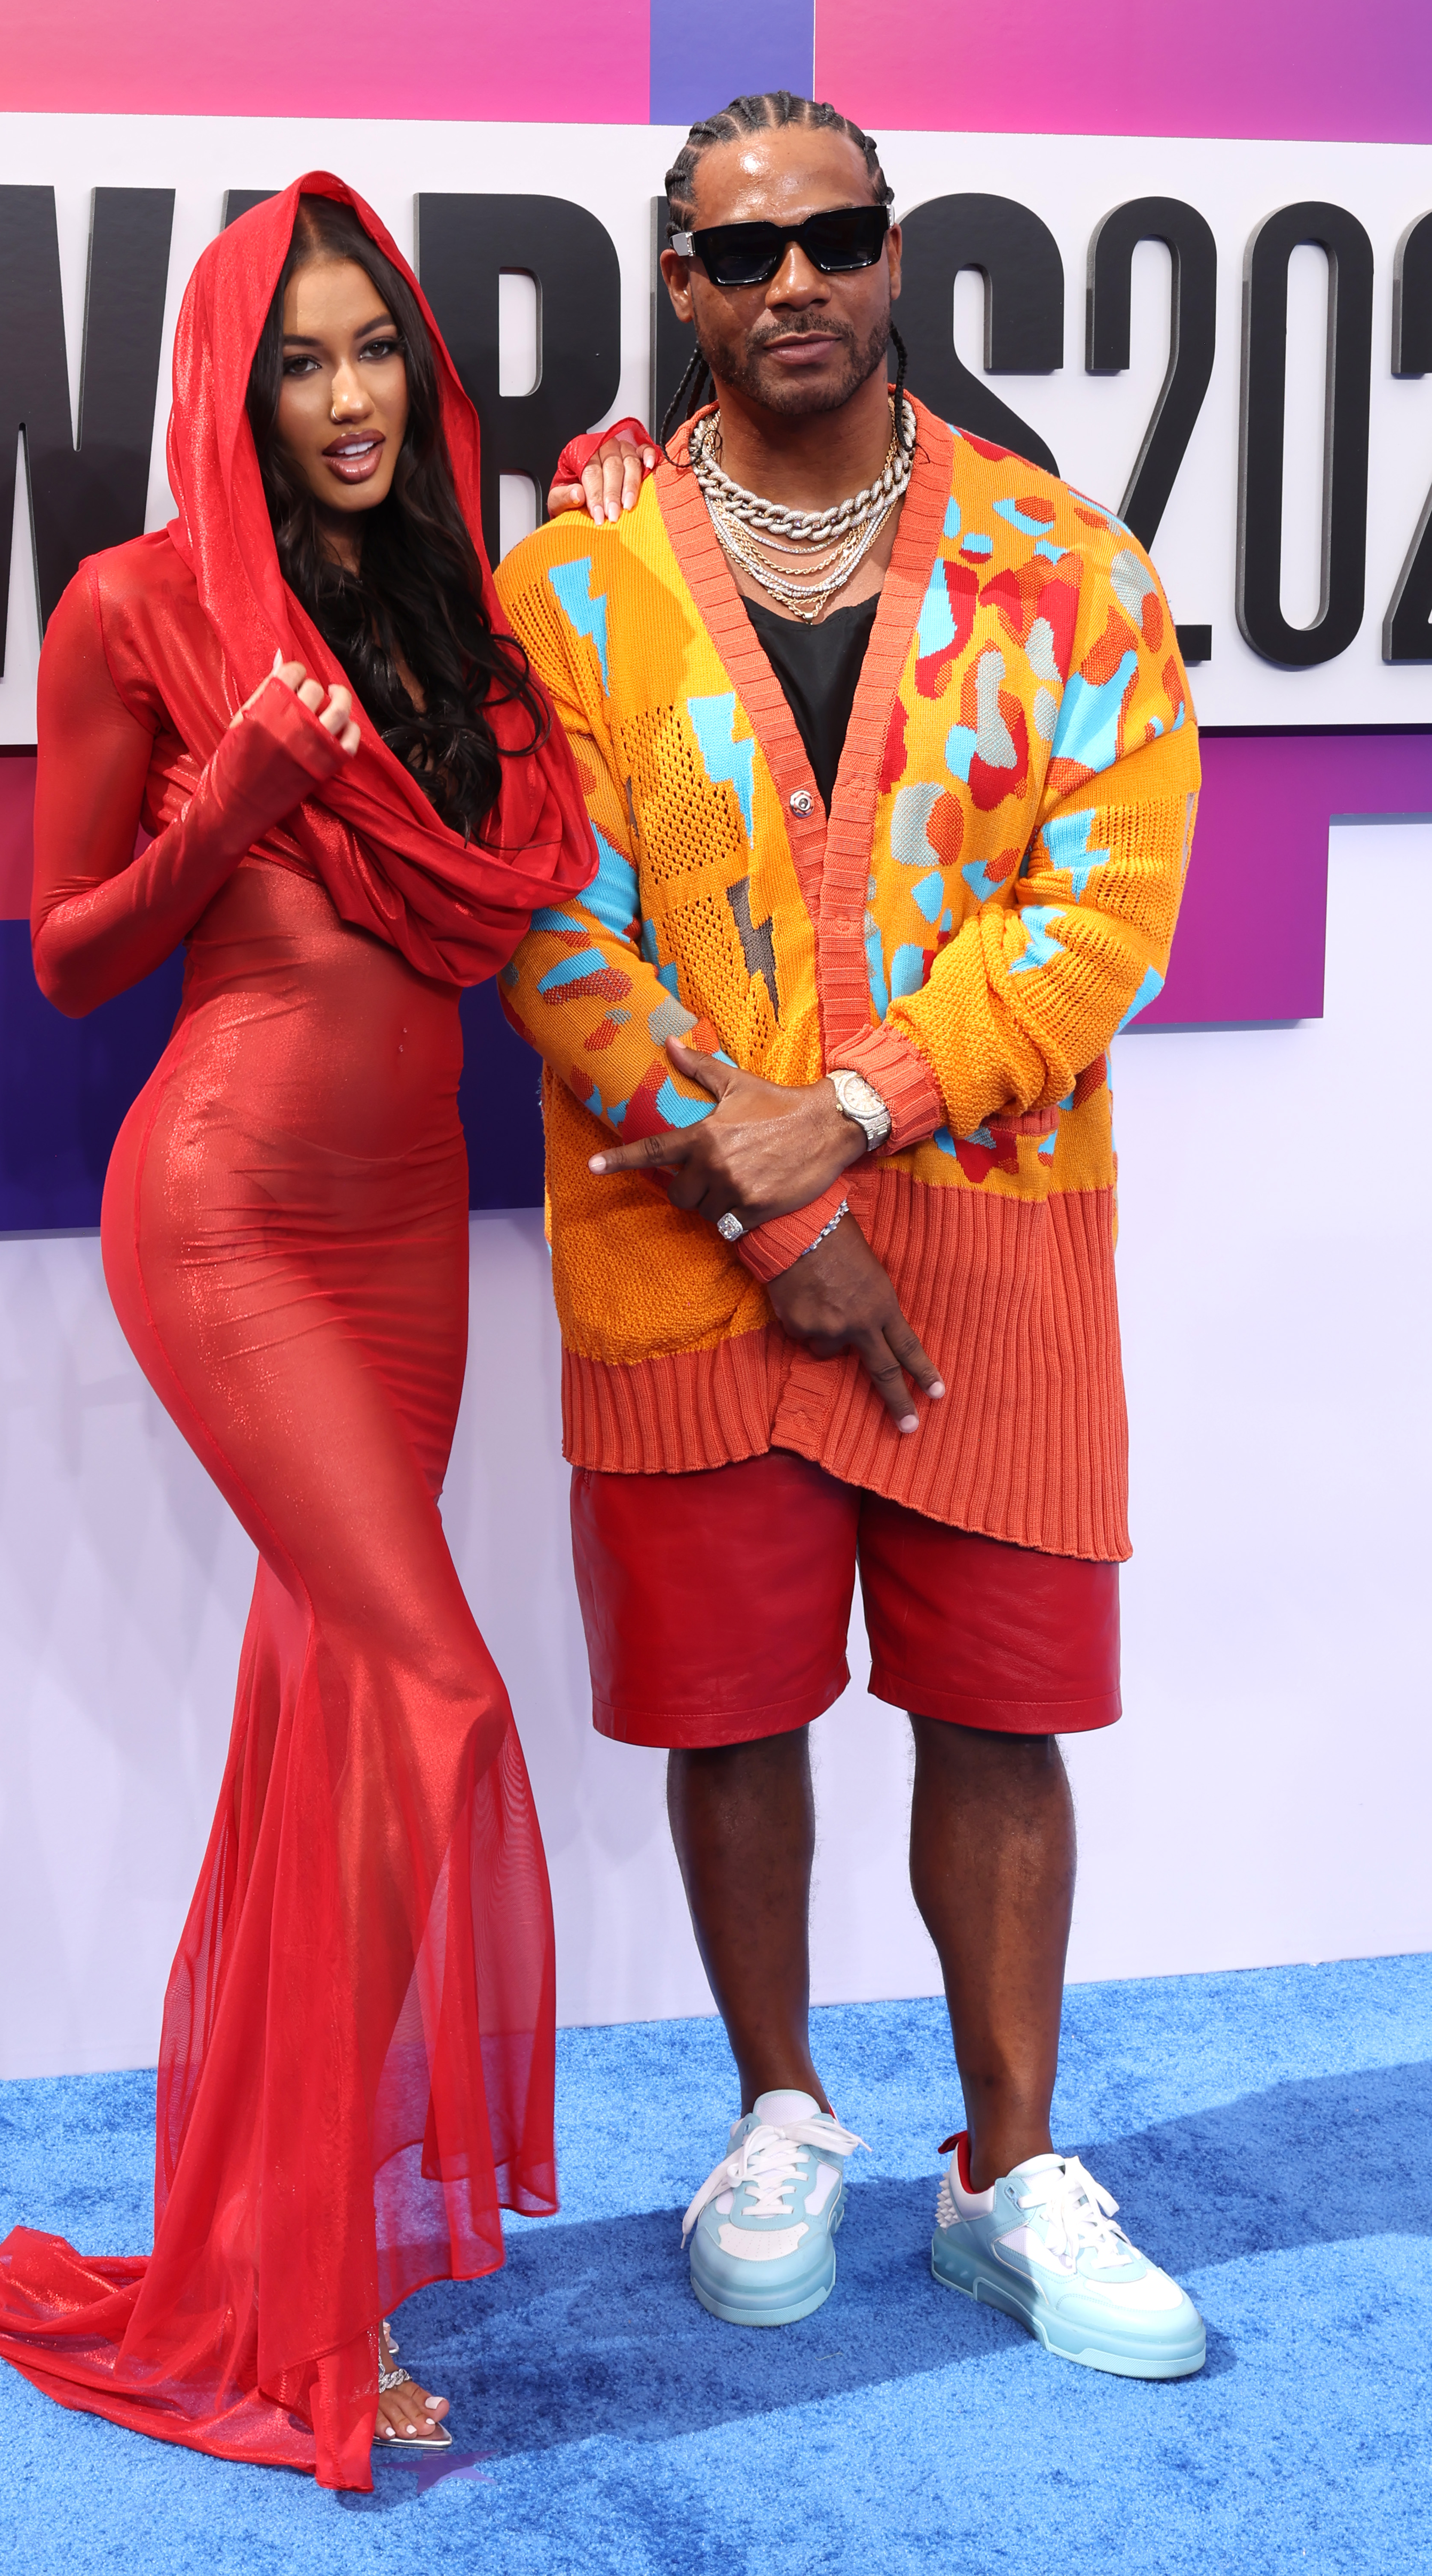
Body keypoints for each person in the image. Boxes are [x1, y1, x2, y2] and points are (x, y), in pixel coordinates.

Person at [503, 91, 1206, 2377]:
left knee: (999, 1718)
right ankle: (777, 2108)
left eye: (834, 238)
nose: (790, 279)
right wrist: (757, 1186)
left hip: (993, 1244)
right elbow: (542, 919)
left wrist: (857, 1115)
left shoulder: (1060, 568)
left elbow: (1104, 914)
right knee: (735, 1718)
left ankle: (1005, 2168)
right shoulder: (566, 592)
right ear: (679, 287)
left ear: (894, 261)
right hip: (679, 1255)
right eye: (741, 251)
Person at [0, 178, 596, 2492]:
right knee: (432, 1692)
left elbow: (519, 865)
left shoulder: (453, 621)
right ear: (231, 390)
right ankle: (299, 2296)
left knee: (336, 1717)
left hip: (410, 1218)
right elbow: (68, 954)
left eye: (374, 355)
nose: (342, 400)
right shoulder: (137, 610)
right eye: (295, 364)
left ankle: (263, 2260)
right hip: (223, 1210)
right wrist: (223, 800)